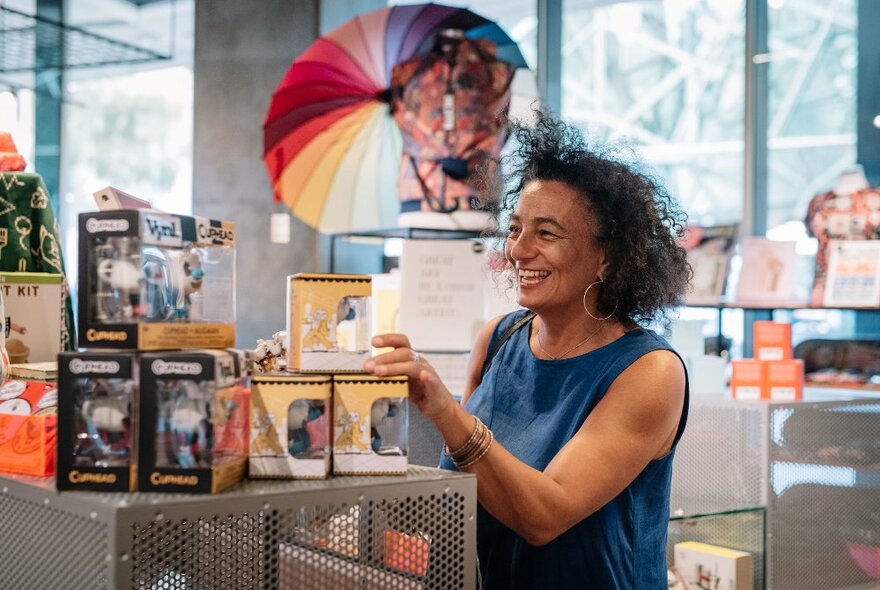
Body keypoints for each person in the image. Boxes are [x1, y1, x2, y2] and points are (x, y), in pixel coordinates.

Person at [364, 109, 691, 589]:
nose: (518, 250)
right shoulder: (499, 339)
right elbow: (462, 502)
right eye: (515, 229)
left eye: (546, 233)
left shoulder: (648, 371)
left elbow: (545, 515)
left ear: (607, 257)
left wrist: (445, 411)